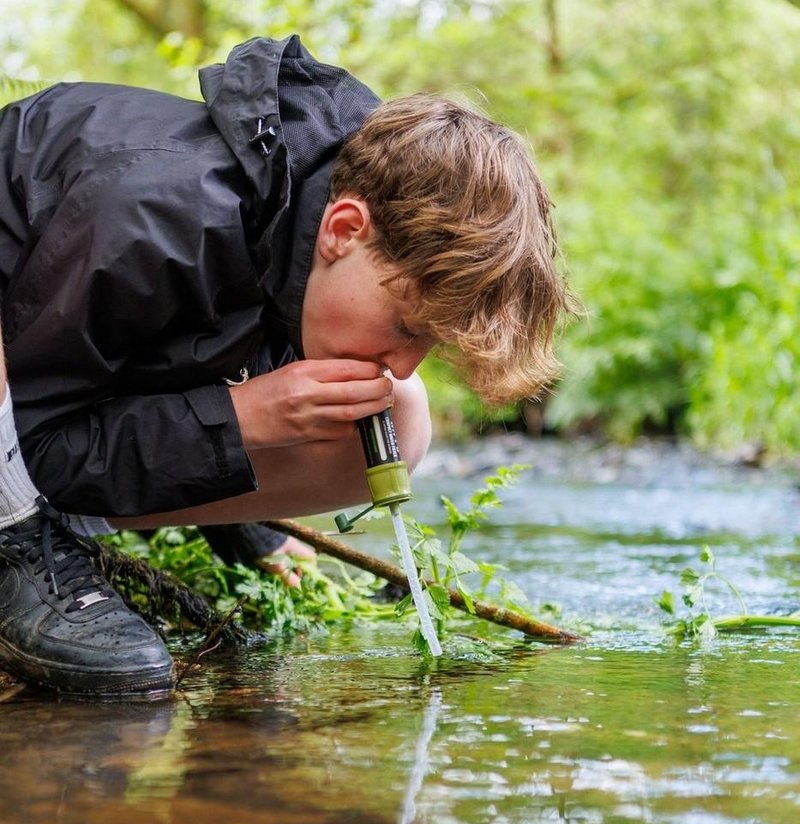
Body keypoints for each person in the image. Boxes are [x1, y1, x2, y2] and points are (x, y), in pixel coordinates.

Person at [0, 34, 569, 697]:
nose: (404, 359)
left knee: (400, 414)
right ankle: (16, 545)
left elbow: (166, 351)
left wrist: (237, 497)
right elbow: (38, 439)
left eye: (429, 344)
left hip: (60, 390)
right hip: (17, 423)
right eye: (406, 327)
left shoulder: (309, 210)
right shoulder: (151, 219)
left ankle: (209, 519)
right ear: (344, 230)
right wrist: (242, 421)